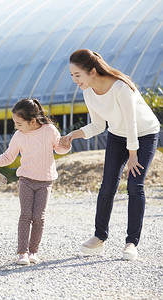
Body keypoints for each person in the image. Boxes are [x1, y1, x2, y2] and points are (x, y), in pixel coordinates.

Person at [62, 49, 160, 261]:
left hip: (144, 134)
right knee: (107, 186)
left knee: (135, 185)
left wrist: (133, 155)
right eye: (72, 76)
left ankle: (131, 243)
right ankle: (99, 238)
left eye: (77, 75)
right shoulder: (88, 92)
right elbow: (98, 125)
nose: (75, 80)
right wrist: (73, 135)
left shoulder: (120, 87)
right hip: (117, 134)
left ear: (92, 72)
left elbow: (131, 123)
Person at [0, 98, 71, 265]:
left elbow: (59, 148)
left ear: (32, 121)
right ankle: (22, 253)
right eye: (15, 123)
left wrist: (67, 144)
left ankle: (33, 251)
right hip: (26, 180)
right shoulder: (19, 136)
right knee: (25, 215)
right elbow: (8, 156)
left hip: (45, 181)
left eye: (19, 123)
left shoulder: (49, 130)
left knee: (39, 217)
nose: (16, 127)